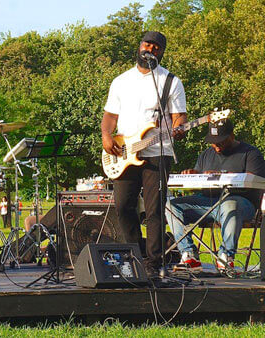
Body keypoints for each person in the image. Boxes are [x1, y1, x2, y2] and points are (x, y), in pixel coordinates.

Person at [101, 31, 188, 276]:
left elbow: (179, 117)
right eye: (147, 44)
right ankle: (133, 256)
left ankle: (154, 263)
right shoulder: (121, 81)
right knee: (123, 206)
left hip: (158, 153)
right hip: (124, 150)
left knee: (154, 210)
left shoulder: (170, 81)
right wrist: (107, 137)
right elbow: (110, 116)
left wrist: (179, 129)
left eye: (156, 47)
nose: (150, 49)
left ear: (162, 51)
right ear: (139, 46)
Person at [166, 120, 265, 273]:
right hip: (207, 203)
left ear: (232, 135)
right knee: (172, 205)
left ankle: (226, 256)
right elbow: (200, 178)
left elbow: (254, 179)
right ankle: (189, 255)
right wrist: (193, 174)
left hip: (241, 203)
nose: (217, 146)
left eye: (221, 141)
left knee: (229, 204)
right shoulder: (206, 155)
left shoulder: (250, 153)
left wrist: (223, 176)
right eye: (213, 142)